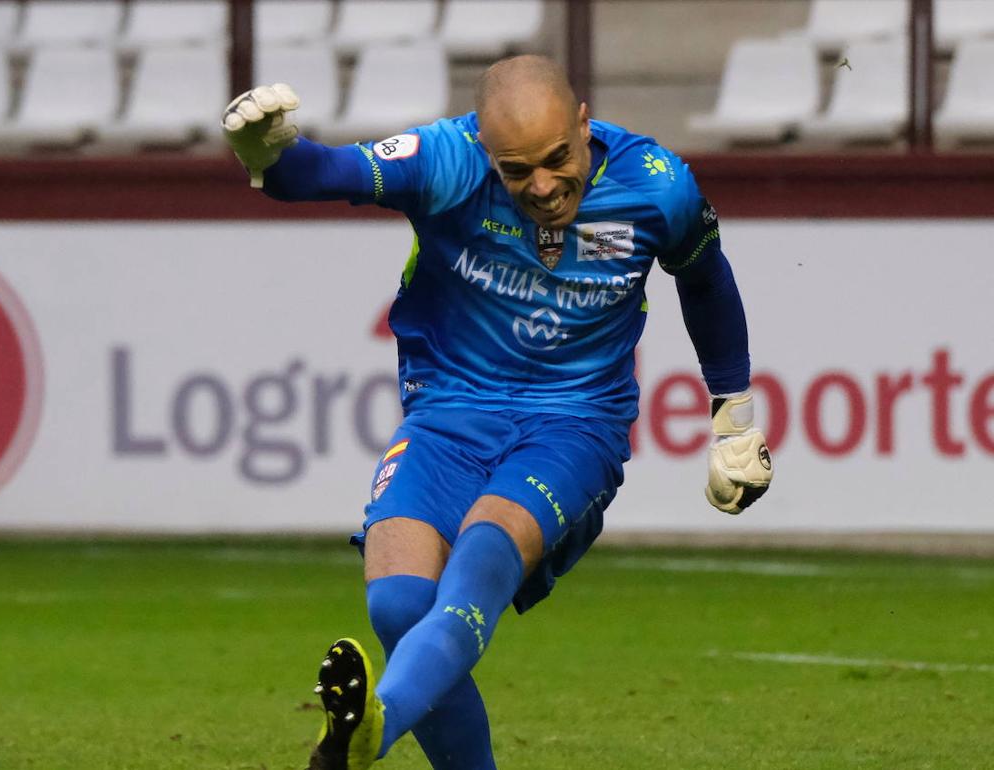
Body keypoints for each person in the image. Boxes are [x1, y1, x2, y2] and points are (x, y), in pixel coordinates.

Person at [222, 55, 773, 770]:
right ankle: (371, 739)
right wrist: (269, 155)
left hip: (573, 425)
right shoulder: (447, 161)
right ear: (485, 150)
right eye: (517, 171)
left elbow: (704, 282)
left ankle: (364, 742)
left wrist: (734, 415)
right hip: (447, 414)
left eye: (557, 159)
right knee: (396, 606)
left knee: (484, 551)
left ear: (583, 124)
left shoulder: (657, 186)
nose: (543, 188)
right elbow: (323, 173)